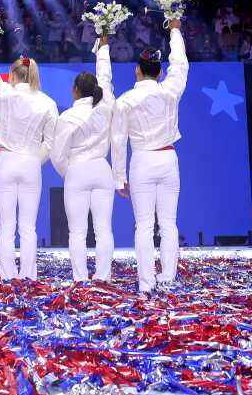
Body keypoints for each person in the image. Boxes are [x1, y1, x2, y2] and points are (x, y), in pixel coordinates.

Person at [0, 24, 59, 281]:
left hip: (6, 160)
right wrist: (35, 159)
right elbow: (50, 143)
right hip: (31, 162)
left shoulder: (3, 93)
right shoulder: (48, 103)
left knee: (6, 226)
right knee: (29, 227)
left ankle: (8, 276)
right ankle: (29, 276)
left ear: (12, 74)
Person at [111, 18, 189, 294]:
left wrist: (118, 177)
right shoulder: (169, 91)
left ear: (137, 72)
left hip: (142, 161)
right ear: (158, 72)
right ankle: (167, 279)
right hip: (168, 160)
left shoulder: (125, 101)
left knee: (143, 225)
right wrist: (175, 30)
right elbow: (180, 65)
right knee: (168, 223)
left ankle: (147, 283)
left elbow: (118, 141)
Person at [51, 33, 116, 282]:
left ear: (76, 90)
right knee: (103, 229)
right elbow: (106, 79)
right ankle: (103, 277)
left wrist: (70, 173)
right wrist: (103, 47)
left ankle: (81, 279)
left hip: (77, 171)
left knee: (77, 232)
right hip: (101, 169)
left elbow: (58, 155)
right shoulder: (106, 104)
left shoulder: (67, 116)